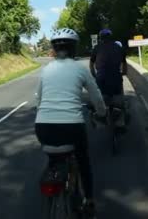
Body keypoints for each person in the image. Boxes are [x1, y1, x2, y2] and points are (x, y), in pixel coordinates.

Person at [35, 28, 107, 213]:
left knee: (53, 158)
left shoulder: (45, 70)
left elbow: (39, 100)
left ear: (54, 49)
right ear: (73, 48)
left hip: (43, 126)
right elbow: (96, 97)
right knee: (83, 161)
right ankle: (89, 200)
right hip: (72, 126)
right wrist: (101, 113)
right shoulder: (79, 70)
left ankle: (53, 173)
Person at [90, 29, 127, 104]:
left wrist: (94, 74)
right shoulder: (119, 47)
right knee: (119, 99)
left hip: (101, 77)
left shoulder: (97, 48)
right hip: (116, 76)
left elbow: (91, 63)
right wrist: (123, 73)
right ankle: (122, 108)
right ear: (111, 37)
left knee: (101, 100)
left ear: (100, 37)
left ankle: (101, 111)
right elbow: (124, 63)